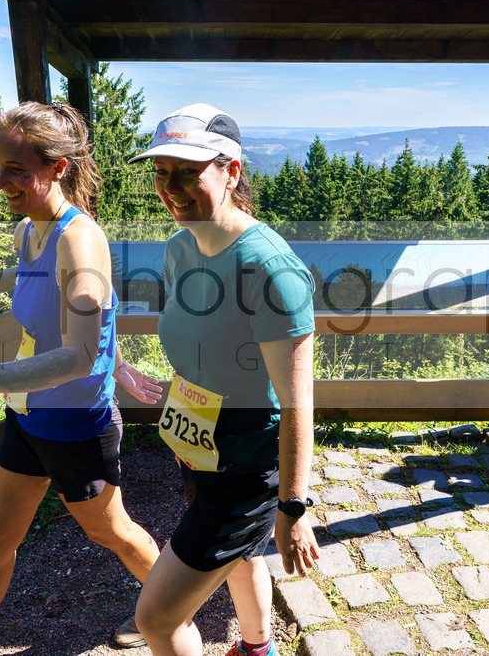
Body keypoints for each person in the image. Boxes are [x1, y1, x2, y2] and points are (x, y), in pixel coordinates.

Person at [0, 101, 163, 656]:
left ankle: (173, 603)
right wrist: (120, 364)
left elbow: (80, 349)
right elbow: (68, 329)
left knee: (109, 531)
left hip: (74, 424)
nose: (0, 181)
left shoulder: (79, 242)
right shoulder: (28, 231)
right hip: (27, 413)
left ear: (57, 168)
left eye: (16, 169)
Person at [127, 103, 320, 656]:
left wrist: (292, 509)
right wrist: (174, 391)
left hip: (246, 470)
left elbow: (298, 403)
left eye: (190, 172)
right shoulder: (179, 248)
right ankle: (259, 649)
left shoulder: (269, 269)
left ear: (231, 171)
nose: (172, 188)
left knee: (157, 619)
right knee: (240, 561)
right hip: (200, 449)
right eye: (162, 172)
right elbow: (204, 348)